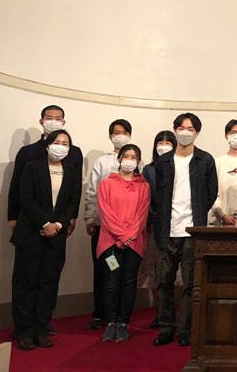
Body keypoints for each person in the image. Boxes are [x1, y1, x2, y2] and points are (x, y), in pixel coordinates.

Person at [7, 104, 83, 338]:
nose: (61, 147)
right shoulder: (29, 155)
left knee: (49, 280)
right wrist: (14, 217)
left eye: (65, 143)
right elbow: (20, 191)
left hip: (58, 229)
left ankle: (42, 325)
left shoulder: (74, 157)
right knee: (26, 280)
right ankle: (24, 329)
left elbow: (74, 195)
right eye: (50, 118)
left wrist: (64, 221)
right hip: (30, 227)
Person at [151, 113, 218, 347]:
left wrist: (197, 214)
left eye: (190, 129)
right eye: (181, 128)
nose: (185, 132)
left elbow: (211, 193)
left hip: (192, 231)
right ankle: (166, 327)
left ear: (197, 133)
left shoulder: (205, 160)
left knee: (191, 283)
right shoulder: (163, 161)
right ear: (175, 131)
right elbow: (156, 195)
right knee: (164, 283)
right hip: (166, 230)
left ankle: (185, 329)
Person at [97, 144, 151, 343]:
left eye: (134, 157)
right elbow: (105, 213)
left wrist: (130, 235)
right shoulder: (106, 184)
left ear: (138, 161)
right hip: (110, 243)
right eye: (126, 156)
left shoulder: (144, 186)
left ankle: (123, 322)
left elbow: (142, 215)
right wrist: (122, 235)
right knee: (111, 282)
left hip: (134, 243)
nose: (129, 160)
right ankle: (111, 321)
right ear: (119, 159)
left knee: (129, 282)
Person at [83, 118, 133, 330]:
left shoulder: (135, 161)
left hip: (127, 232)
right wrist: (90, 218)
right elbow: (92, 192)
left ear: (130, 136)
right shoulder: (102, 162)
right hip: (103, 229)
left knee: (123, 273)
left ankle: (119, 315)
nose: (120, 136)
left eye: (124, 132)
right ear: (111, 136)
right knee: (103, 270)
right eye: (116, 132)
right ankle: (100, 313)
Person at [8, 105, 83, 236]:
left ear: (63, 122)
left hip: (59, 219)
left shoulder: (74, 152)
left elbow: (76, 188)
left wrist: (73, 216)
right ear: (41, 121)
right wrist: (13, 216)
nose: (53, 122)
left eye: (58, 119)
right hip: (28, 218)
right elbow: (16, 184)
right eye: (49, 118)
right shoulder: (27, 151)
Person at [141, 130, 177, 329]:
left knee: (177, 273)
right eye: (160, 142)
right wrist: (151, 220)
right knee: (157, 271)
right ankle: (161, 312)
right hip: (157, 225)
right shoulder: (149, 169)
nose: (164, 145)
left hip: (179, 224)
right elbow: (146, 198)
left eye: (168, 142)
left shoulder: (181, 166)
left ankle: (177, 313)